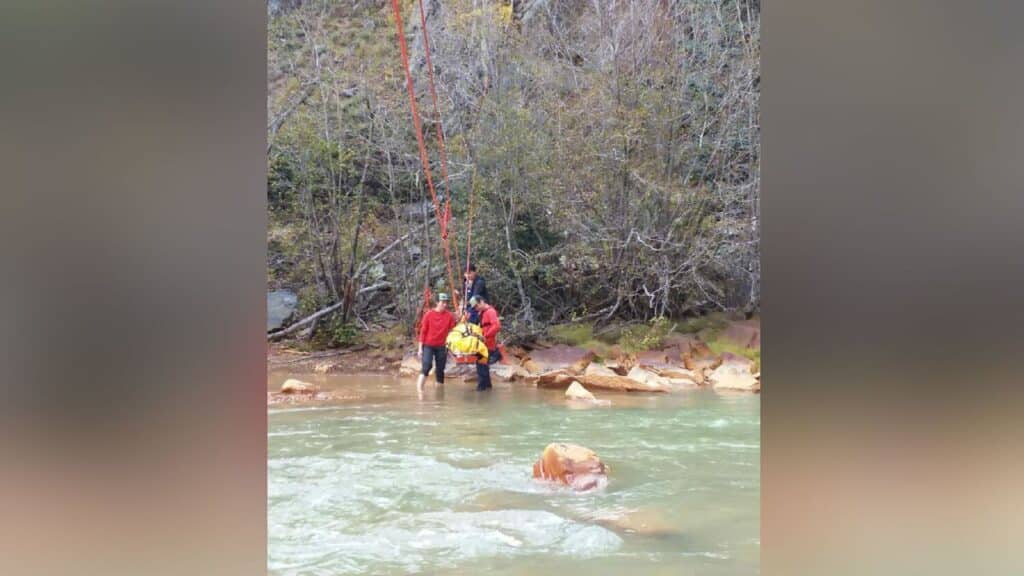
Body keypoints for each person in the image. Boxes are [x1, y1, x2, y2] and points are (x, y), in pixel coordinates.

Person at [416, 292, 456, 392]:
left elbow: (453, 331)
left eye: (446, 302)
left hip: (442, 346)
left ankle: (439, 395)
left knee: (440, 370)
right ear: (437, 302)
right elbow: (423, 332)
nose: (445, 304)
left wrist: (452, 347)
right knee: (426, 366)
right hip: (428, 345)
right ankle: (420, 391)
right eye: (443, 302)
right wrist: (420, 348)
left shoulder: (449, 316)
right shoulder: (429, 314)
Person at [469, 295, 501, 391]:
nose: (476, 308)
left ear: (482, 301)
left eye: (477, 306)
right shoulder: (482, 313)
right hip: (483, 344)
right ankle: (487, 387)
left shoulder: (490, 312)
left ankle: (481, 389)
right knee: (482, 367)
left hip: (487, 344)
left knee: (481, 368)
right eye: (474, 307)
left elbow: (496, 326)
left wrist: (485, 336)